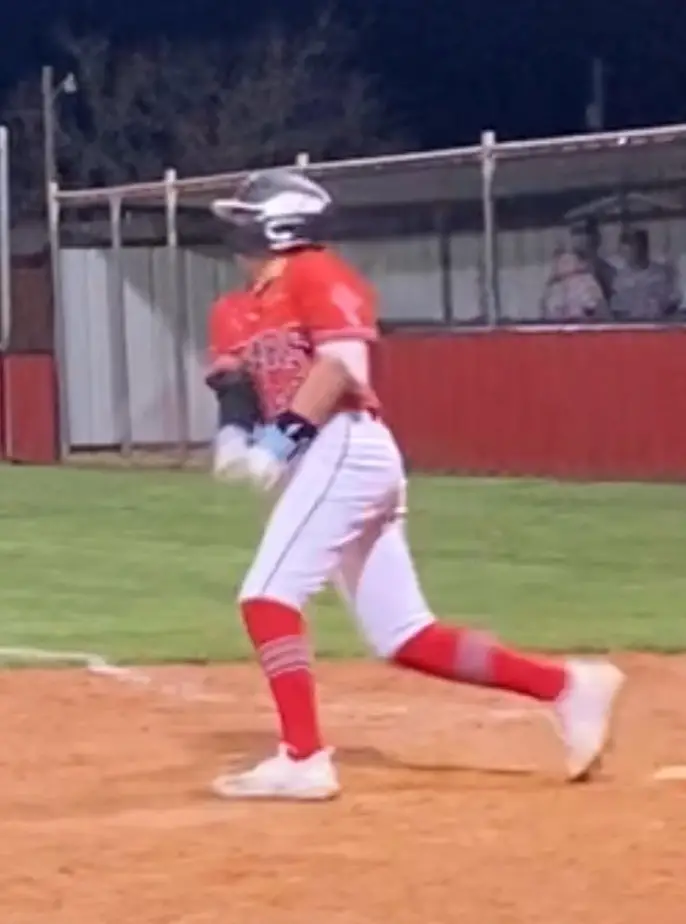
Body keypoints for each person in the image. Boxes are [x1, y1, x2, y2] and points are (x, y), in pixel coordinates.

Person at [205, 168, 625, 801]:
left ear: (280, 225)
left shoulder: (317, 272)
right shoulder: (236, 306)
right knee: (403, 634)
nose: (235, 231)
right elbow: (233, 381)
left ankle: (304, 757)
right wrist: (235, 434)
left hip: (343, 446)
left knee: (266, 595)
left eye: (247, 218)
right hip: (322, 459)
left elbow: (342, 367)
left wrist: (282, 437)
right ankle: (567, 687)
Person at [610, 227, 682, 320]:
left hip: (659, 324)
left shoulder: (662, 273)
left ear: (644, 247)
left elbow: (674, 301)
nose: (631, 250)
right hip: (631, 325)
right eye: (628, 246)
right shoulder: (619, 279)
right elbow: (616, 310)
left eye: (635, 245)